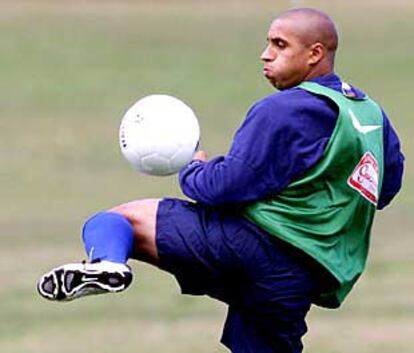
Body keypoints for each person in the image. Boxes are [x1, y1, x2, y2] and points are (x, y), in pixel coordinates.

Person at [38, 8, 404, 353]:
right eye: (268, 43)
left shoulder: (283, 110)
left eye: (279, 45)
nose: (265, 54)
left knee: (120, 220)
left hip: (249, 248)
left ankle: (108, 263)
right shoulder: (369, 113)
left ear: (315, 54)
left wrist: (193, 167)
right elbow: (384, 187)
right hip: (299, 279)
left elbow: (222, 188)